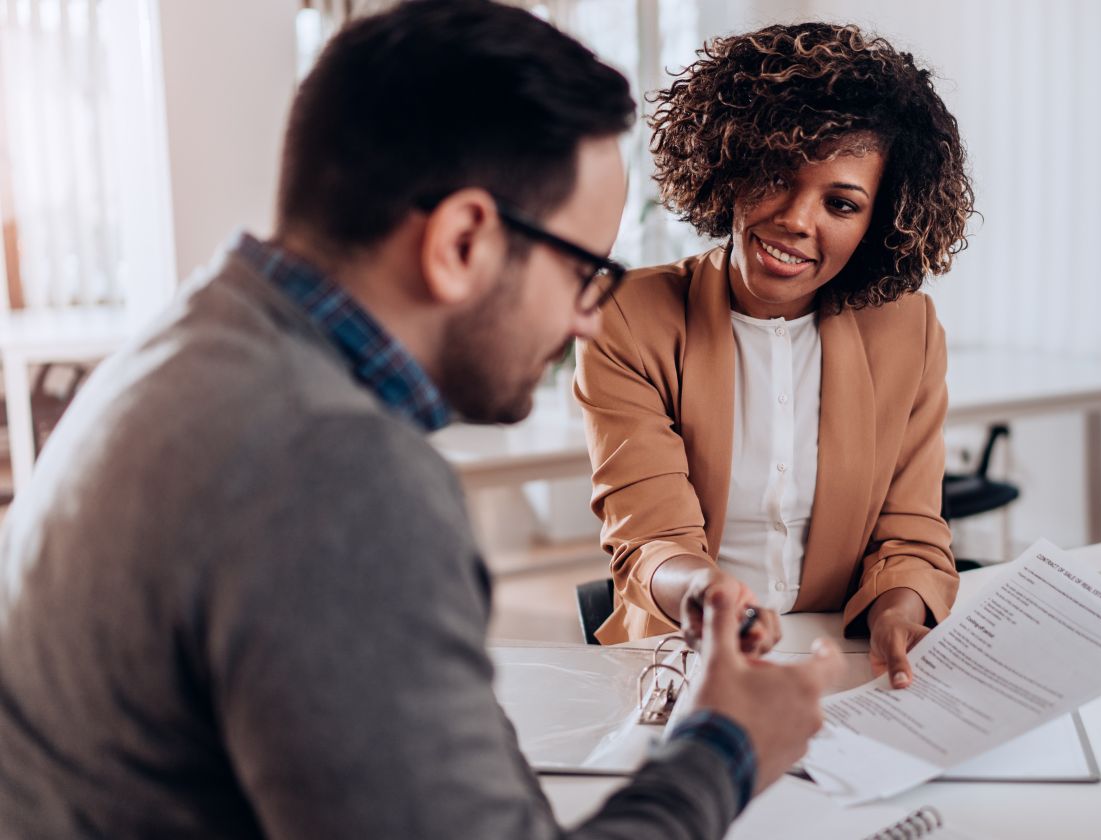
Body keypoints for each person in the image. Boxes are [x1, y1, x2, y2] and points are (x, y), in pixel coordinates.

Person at [0, 2, 841, 837]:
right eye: (587, 270)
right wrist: (724, 747)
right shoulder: (334, 473)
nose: (588, 318)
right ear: (462, 241)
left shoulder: (193, 345)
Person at [576, 22, 975, 689]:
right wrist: (711, 600)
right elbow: (651, 539)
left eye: (841, 203)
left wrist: (901, 608)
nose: (796, 218)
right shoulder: (627, 317)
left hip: (847, 666)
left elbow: (910, 532)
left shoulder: (908, 329)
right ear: (730, 166)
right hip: (687, 657)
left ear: (878, 223)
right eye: (776, 175)